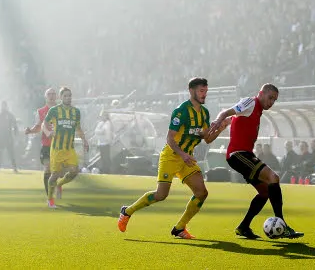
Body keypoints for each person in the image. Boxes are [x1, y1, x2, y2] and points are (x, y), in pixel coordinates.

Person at [117, 78, 227, 239]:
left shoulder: (204, 113)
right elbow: (169, 138)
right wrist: (183, 154)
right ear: (192, 91)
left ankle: (179, 228)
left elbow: (207, 138)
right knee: (161, 195)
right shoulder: (181, 111)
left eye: (206, 91)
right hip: (171, 156)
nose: (204, 95)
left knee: (201, 193)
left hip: (187, 159)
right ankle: (127, 211)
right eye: (201, 91)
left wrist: (222, 128)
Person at [208, 84, 303, 239]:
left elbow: (233, 119)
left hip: (243, 155)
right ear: (261, 93)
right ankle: (283, 225)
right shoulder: (251, 102)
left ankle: (244, 227)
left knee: (265, 192)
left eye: (275, 100)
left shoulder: (256, 110)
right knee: (273, 178)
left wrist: (226, 123)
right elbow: (226, 112)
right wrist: (218, 121)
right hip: (238, 155)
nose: (272, 102)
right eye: (270, 97)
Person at [42, 87, 89, 208]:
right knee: (54, 175)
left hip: (69, 149)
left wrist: (84, 140)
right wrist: (48, 133)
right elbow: (44, 123)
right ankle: (50, 200)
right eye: (65, 96)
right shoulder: (54, 110)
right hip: (57, 149)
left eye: (70, 96)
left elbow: (78, 128)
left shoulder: (76, 112)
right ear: (61, 97)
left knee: (75, 171)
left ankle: (60, 184)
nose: (68, 98)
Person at [25, 88, 58, 196]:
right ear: (46, 96)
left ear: (56, 96)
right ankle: (49, 195)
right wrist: (30, 131)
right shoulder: (40, 111)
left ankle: (58, 185)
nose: (51, 96)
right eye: (49, 94)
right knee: (47, 168)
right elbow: (38, 127)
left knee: (57, 171)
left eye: (53, 94)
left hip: (59, 146)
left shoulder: (61, 110)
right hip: (46, 145)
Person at [0, 101, 18, 173]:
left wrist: (15, 134)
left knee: (11, 153)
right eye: (2, 106)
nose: (3, 107)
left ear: (6, 106)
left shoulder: (10, 115)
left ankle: (15, 168)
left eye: (4, 106)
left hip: (8, 137)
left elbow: (15, 125)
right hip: (0, 137)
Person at [94, 109, 114, 174]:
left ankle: (107, 171)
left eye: (103, 116)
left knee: (106, 158)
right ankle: (105, 170)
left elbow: (106, 132)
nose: (102, 117)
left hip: (106, 143)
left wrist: (109, 140)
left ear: (106, 116)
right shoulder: (101, 123)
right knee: (103, 158)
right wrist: (101, 131)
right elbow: (96, 131)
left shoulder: (108, 123)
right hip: (101, 143)